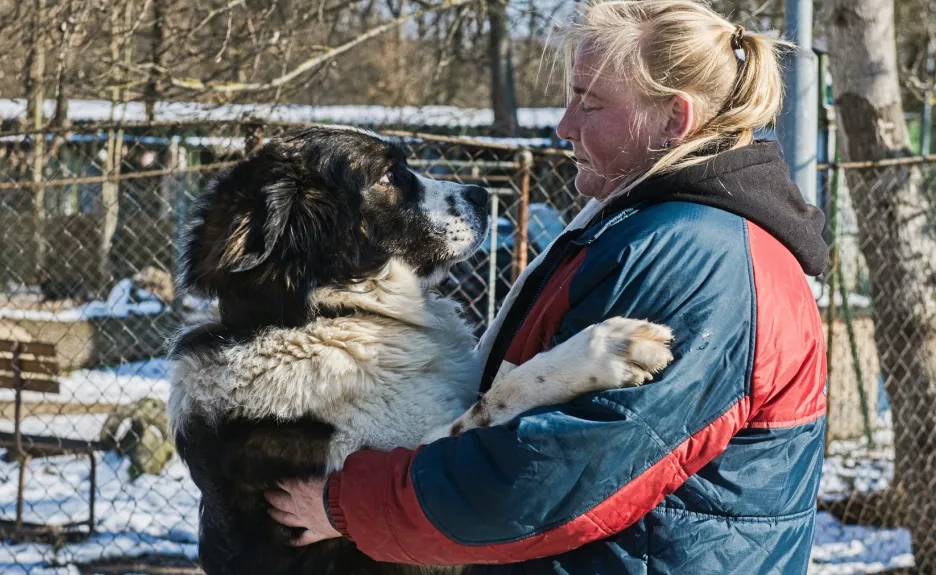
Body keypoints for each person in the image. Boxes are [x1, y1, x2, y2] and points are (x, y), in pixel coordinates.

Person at [265, 0, 829, 573]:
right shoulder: (651, 225)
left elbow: (547, 478)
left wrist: (344, 504)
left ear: (673, 120)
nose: (565, 126)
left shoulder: (696, 255)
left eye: (591, 102)